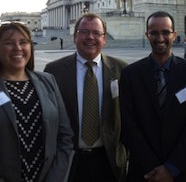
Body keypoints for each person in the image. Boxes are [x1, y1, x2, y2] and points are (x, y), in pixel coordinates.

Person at [0, 21, 73, 182]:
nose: (18, 48)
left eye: (23, 42)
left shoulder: (48, 81)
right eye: (9, 43)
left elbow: (64, 137)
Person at [119, 11, 186, 181]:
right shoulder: (130, 74)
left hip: (183, 170)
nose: (160, 38)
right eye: (154, 33)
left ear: (174, 34)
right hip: (144, 171)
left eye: (165, 32)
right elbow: (128, 124)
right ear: (147, 35)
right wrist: (154, 168)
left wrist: (172, 168)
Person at [44, 13, 128, 182]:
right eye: (84, 32)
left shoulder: (122, 69)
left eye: (96, 33)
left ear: (104, 39)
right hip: (69, 160)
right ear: (75, 36)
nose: (90, 37)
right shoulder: (54, 71)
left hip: (109, 161)